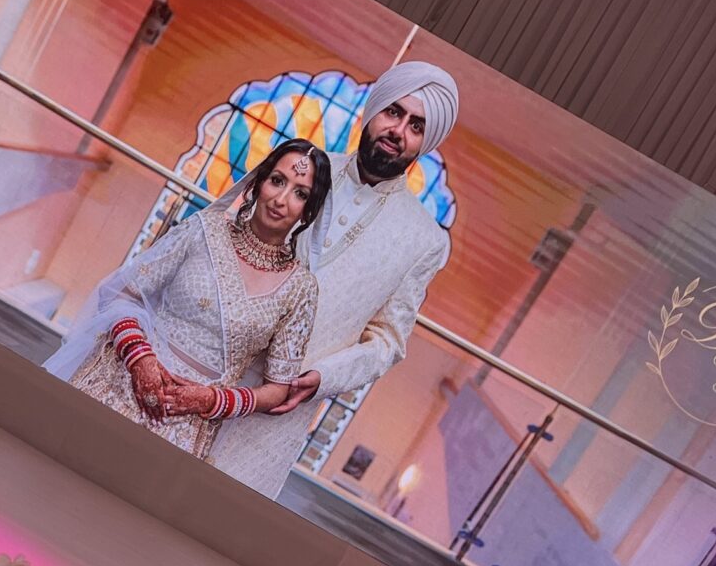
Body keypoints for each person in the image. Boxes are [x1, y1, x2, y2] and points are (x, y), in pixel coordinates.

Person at [203, 61, 459, 495]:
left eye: (416, 126)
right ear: (374, 110)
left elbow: (388, 340)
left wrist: (324, 378)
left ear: (424, 142)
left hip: (280, 413)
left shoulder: (423, 239)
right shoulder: (301, 170)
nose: (398, 130)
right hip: (213, 360)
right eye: (393, 112)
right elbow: (227, 239)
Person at [46, 139, 327, 462]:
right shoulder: (203, 230)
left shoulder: (300, 289)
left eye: (300, 193)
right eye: (277, 181)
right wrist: (140, 359)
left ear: (309, 211)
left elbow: (277, 389)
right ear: (259, 182)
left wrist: (211, 400)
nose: (281, 199)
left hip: (187, 424)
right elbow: (122, 293)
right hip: (118, 380)